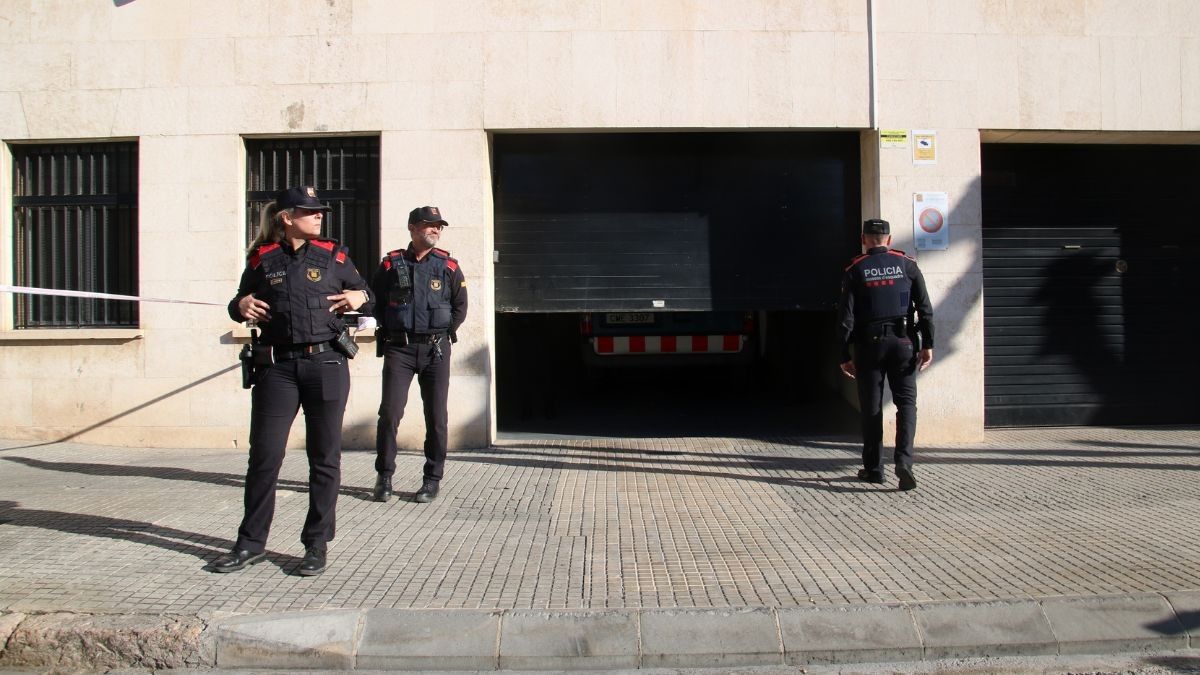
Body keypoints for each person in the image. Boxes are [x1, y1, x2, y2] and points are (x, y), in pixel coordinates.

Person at [214, 186, 370, 576]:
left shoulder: (335, 256)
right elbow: (239, 302)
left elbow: (370, 295)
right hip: (277, 369)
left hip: (326, 364)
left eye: (319, 212)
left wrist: (359, 297)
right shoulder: (263, 260)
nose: (319, 216)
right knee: (265, 458)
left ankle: (316, 544)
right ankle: (251, 544)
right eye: (310, 211)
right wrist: (240, 306)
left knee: (324, 458)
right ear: (287, 217)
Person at [371, 206, 468, 504]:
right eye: (429, 225)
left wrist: (440, 331)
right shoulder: (391, 264)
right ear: (413, 228)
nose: (435, 230)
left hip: (435, 349)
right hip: (399, 348)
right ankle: (384, 476)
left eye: (439, 226)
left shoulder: (448, 266)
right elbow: (375, 302)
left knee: (436, 417)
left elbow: (460, 307)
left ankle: (432, 479)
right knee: (390, 413)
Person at [837, 218, 934, 491]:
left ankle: (874, 470)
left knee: (871, 407)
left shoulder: (855, 269)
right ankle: (904, 462)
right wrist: (928, 344)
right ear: (889, 240)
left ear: (864, 239)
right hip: (903, 344)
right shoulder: (908, 265)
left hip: (870, 347)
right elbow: (925, 309)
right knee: (906, 404)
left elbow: (845, 319)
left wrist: (844, 353)